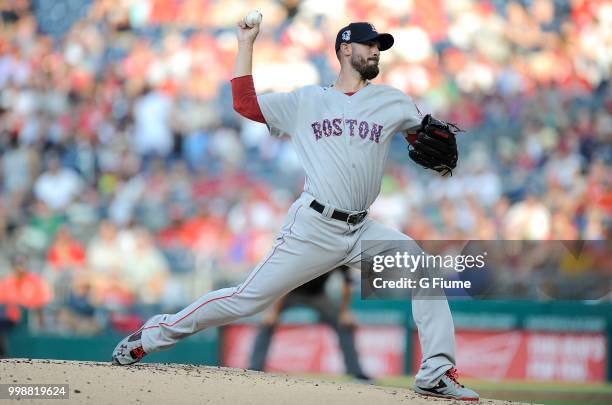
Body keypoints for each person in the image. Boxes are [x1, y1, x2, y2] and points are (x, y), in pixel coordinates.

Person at [112, 19, 479, 401]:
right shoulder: (305, 100)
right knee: (246, 299)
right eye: (369, 45)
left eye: (379, 47)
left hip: (362, 231)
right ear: (345, 49)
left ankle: (436, 373)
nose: (375, 51)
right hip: (313, 227)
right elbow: (244, 104)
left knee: (422, 271)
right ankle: (152, 335)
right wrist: (245, 43)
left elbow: (421, 138)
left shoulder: (394, 101)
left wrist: (435, 155)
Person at [249, 266, 370, 381]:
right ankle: (255, 368)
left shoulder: (339, 253)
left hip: (317, 295)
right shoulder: (306, 249)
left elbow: (347, 283)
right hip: (290, 291)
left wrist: (345, 312)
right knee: (267, 323)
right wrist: (273, 312)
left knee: (343, 324)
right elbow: (285, 281)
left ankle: (356, 372)